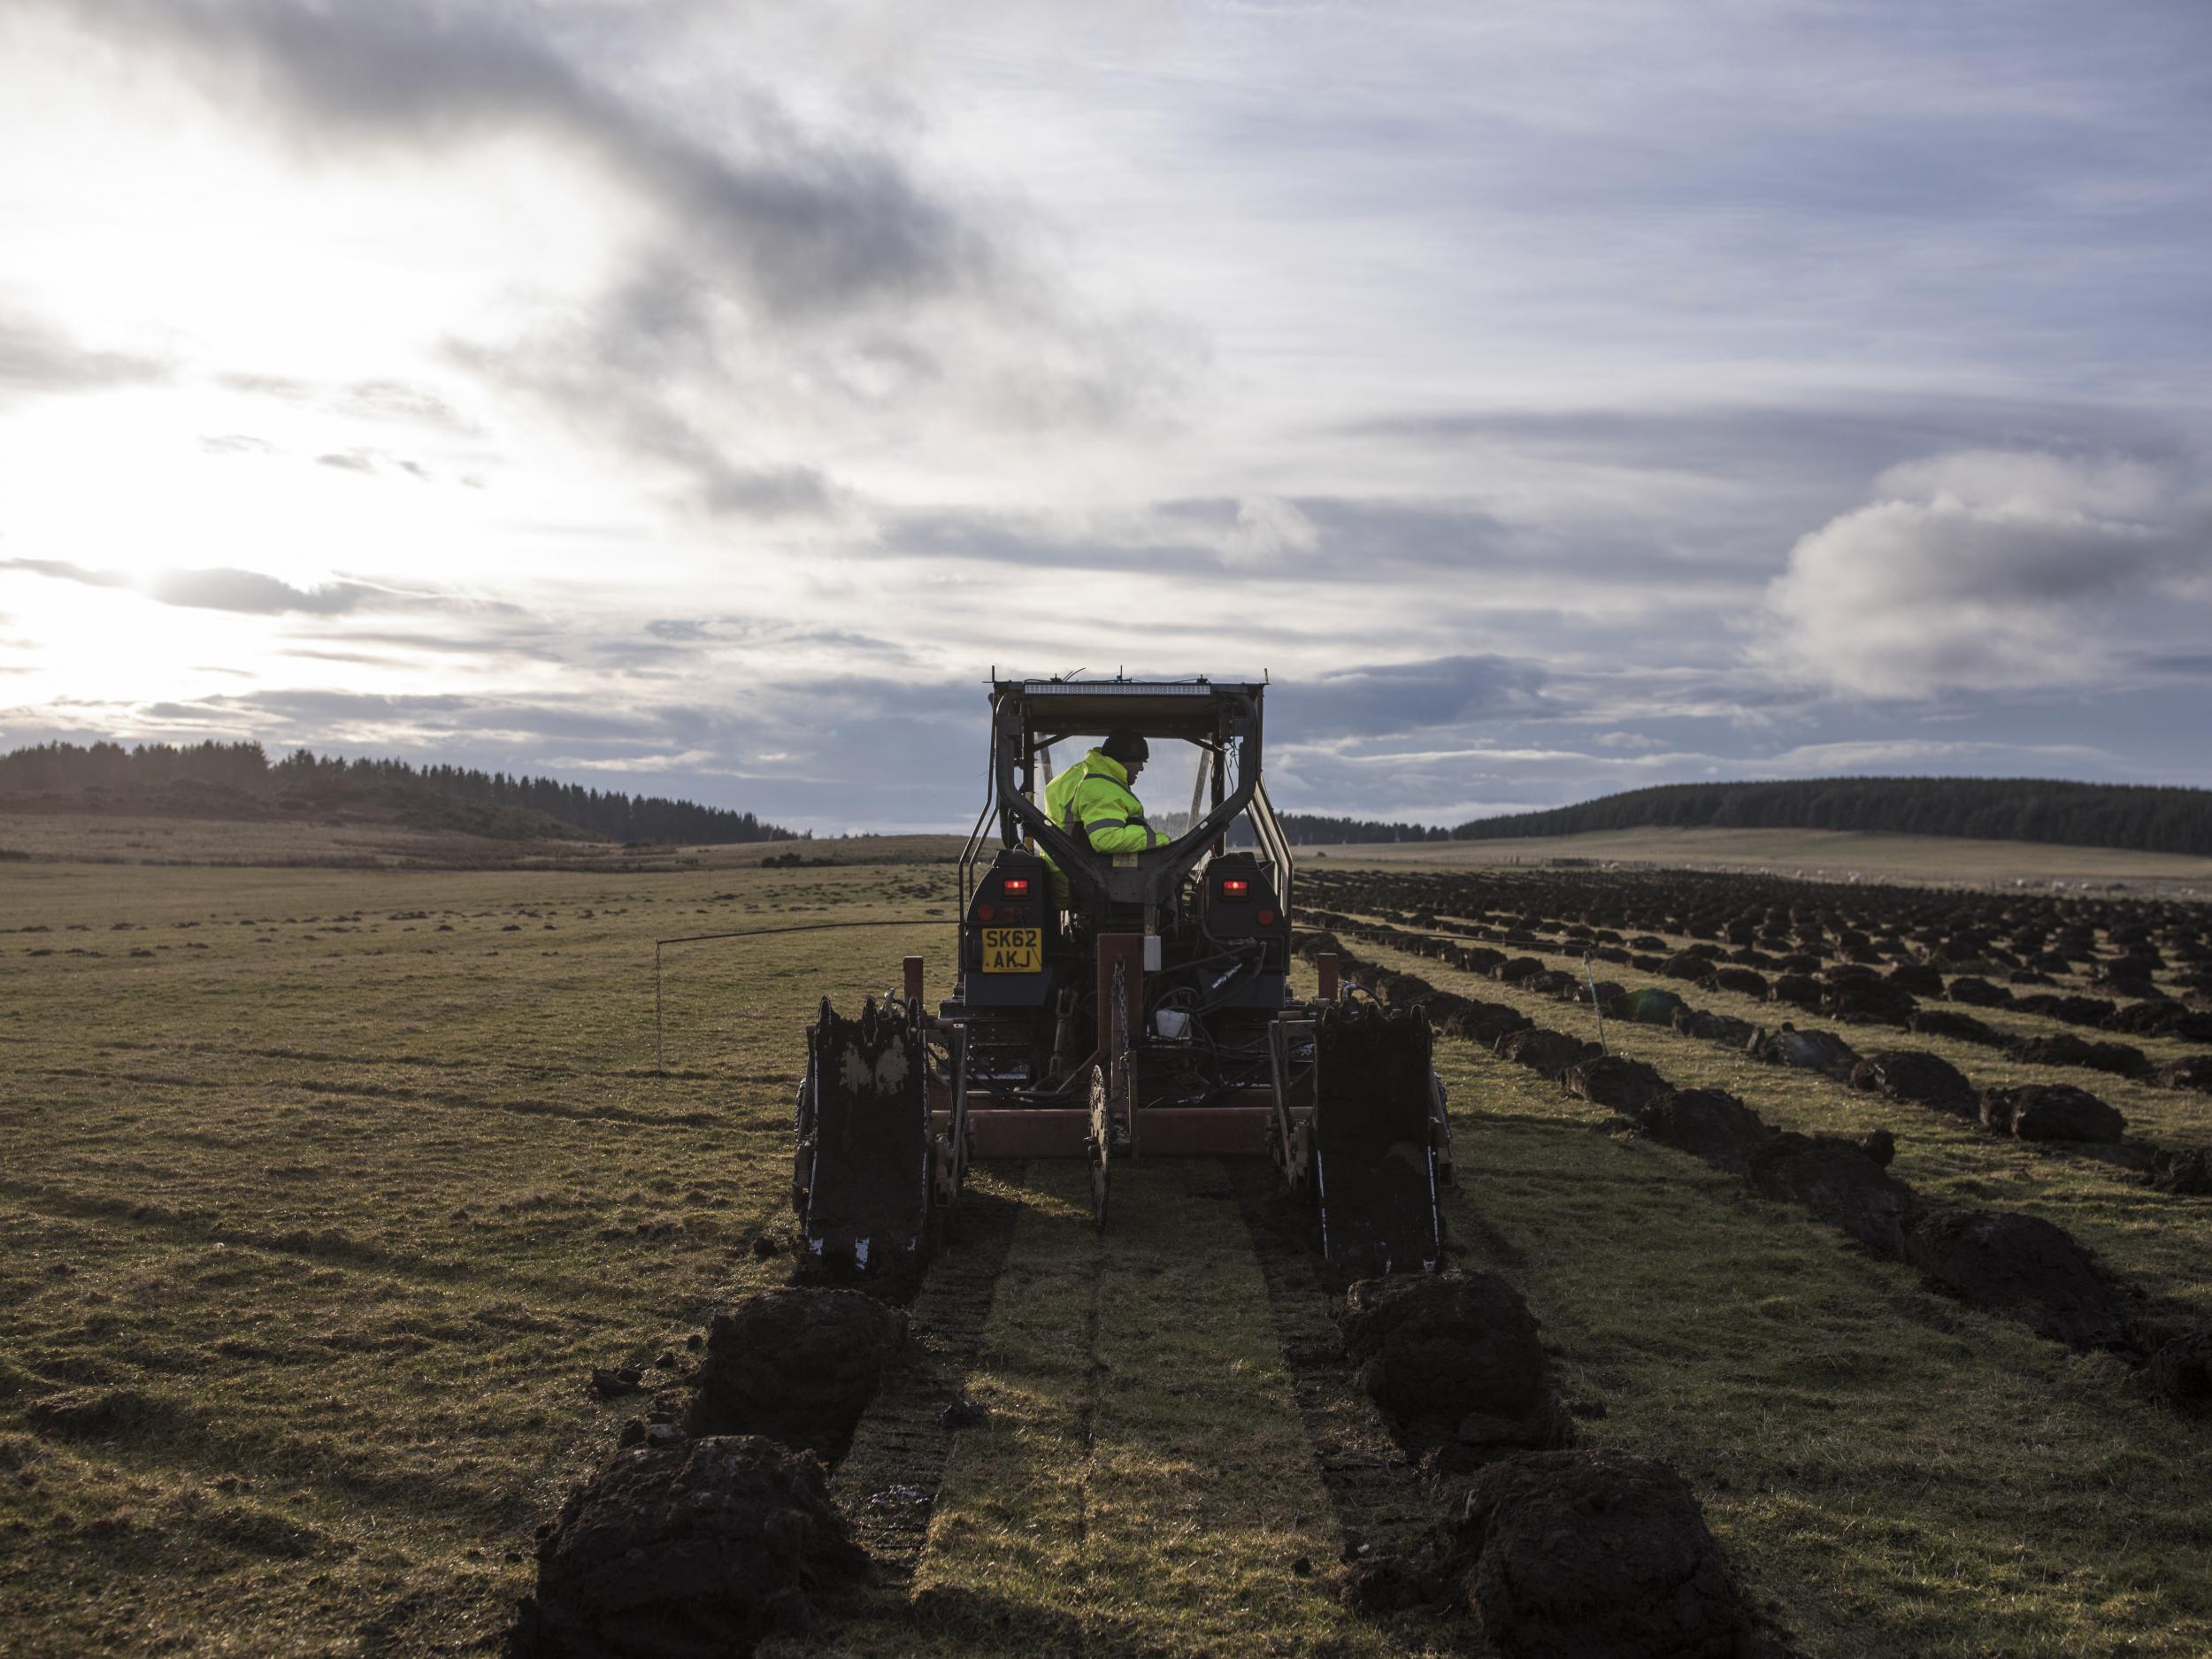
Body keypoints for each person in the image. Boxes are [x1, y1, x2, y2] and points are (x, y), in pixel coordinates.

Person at [1039, 726, 1170, 905]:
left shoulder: (1081, 773)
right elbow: (1106, 839)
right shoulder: (1100, 786)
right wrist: (1160, 840)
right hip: (1078, 883)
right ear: (1123, 760)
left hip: (1066, 872)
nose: (1141, 768)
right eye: (1139, 761)